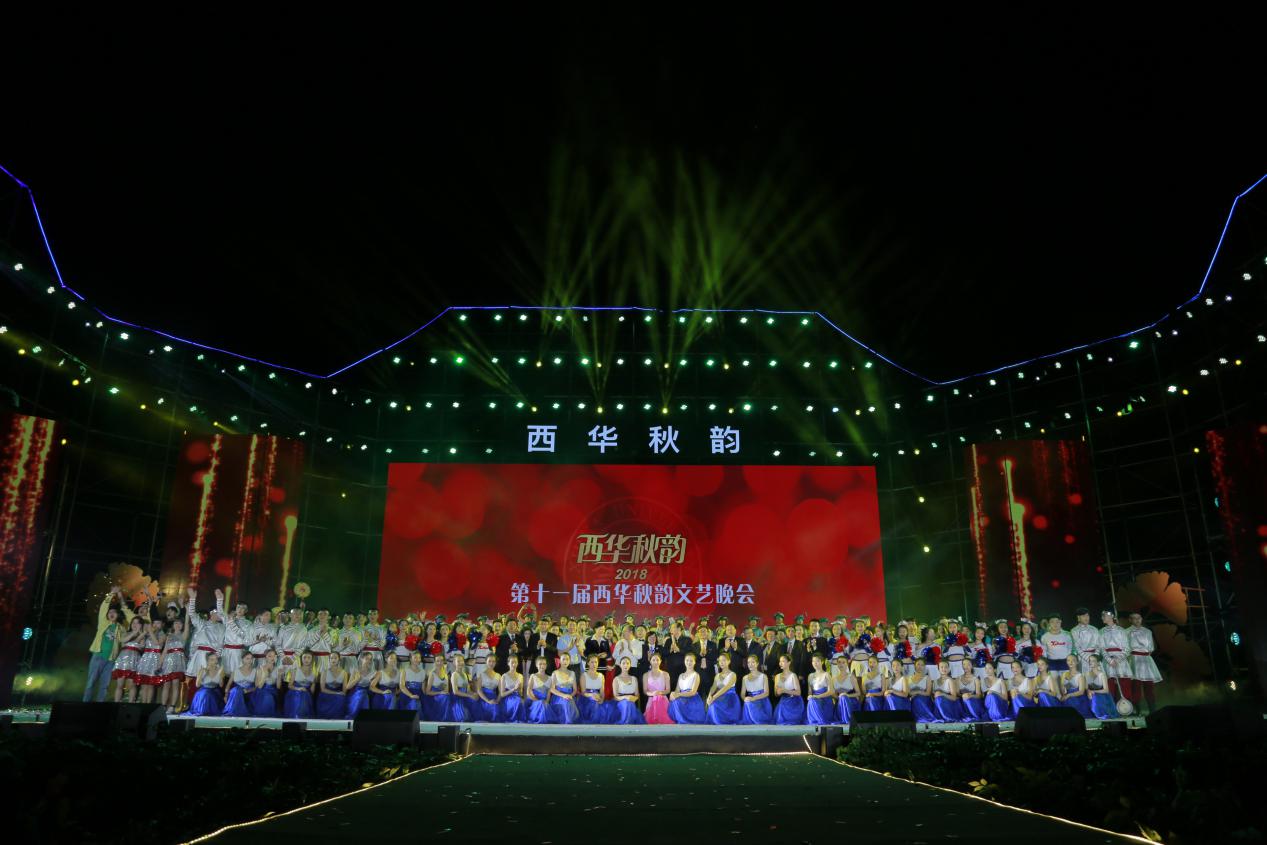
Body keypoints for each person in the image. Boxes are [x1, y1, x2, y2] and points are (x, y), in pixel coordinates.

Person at [85, 586, 134, 702]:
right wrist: (112, 593)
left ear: (118, 615)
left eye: (114, 612)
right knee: (91, 682)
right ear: (107, 615)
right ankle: (85, 703)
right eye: (110, 612)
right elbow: (104, 607)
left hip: (111, 660)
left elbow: (123, 640)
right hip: (98, 656)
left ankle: (100, 705)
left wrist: (135, 633)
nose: (111, 613)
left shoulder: (121, 628)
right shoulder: (103, 622)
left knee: (105, 685)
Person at [1127, 612, 1162, 715]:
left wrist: (1145, 654)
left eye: (1139, 618)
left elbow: (1151, 647)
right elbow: (1126, 647)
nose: (1137, 620)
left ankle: (1153, 710)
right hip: (1134, 659)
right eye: (1135, 618)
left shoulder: (1147, 631)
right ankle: (1136, 710)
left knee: (1149, 687)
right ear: (1130, 620)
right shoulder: (1126, 632)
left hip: (1146, 660)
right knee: (1136, 687)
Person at [1098, 610, 1133, 704]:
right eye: (1102, 616)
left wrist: (1118, 659)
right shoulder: (1101, 632)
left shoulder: (1121, 631)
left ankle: (1126, 708)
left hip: (1121, 661)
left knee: (1124, 685)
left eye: (1104, 616)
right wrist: (1110, 660)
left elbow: (1127, 648)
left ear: (1111, 616)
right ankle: (1111, 707)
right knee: (1109, 686)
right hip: (1108, 662)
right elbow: (1102, 648)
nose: (1102, 618)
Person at [112, 616, 147, 703]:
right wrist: (133, 632)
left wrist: (140, 633)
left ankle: (131, 703)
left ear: (141, 625)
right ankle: (116, 703)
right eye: (133, 622)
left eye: (137, 623)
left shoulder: (143, 636)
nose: (135, 624)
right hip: (123, 660)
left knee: (132, 685)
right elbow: (123, 640)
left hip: (134, 660)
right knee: (120, 684)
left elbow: (141, 645)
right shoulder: (126, 633)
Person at [160, 617, 190, 713]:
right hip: (168, 661)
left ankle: (172, 706)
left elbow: (187, 624)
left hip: (178, 661)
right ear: (173, 625)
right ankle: (163, 706)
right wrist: (159, 664)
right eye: (176, 623)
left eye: (180, 623)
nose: (178, 625)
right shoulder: (169, 636)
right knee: (166, 684)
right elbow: (165, 651)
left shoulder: (184, 635)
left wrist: (187, 612)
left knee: (175, 684)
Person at [668, 652, 708, 724]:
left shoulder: (696, 675)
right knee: (674, 701)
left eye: (691, 661)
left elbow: (693, 692)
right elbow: (677, 690)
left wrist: (679, 694)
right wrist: (673, 694)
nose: (689, 662)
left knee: (678, 702)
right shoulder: (681, 675)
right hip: (681, 697)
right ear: (684, 661)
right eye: (687, 660)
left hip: (692, 699)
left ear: (694, 662)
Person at [135, 618, 168, 704]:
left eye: (158, 623)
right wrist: (145, 632)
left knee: (151, 684)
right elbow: (137, 641)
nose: (156, 625)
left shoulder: (163, 634)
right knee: (144, 684)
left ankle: (148, 704)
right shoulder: (148, 634)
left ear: (162, 625)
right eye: (154, 623)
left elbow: (157, 643)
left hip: (155, 658)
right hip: (146, 658)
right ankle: (143, 703)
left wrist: (150, 631)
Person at [705, 652, 741, 725]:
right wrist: (709, 696)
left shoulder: (733, 674)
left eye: (724, 660)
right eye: (720, 660)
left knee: (714, 702)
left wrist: (713, 697)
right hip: (720, 697)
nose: (721, 662)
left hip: (730, 698)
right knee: (712, 703)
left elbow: (726, 688)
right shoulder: (717, 675)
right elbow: (713, 687)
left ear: (729, 661)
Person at [188, 652, 225, 716]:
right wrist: (204, 673)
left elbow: (221, 685)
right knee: (207, 693)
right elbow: (197, 685)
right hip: (204, 691)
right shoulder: (203, 670)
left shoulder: (219, 670)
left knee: (212, 694)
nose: (215, 661)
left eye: (216, 659)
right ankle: (203, 710)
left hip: (215, 691)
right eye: (212, 659)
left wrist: (220, 674)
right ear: (207, 661)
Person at [222, 651, 258, 717]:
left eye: (251, 658)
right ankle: (234, 711)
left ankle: (241, 712)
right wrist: (226, 695)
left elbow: (256, 687)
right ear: (242, 659)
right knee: (237, 690)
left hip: (249, 693)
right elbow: (228, 685)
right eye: (247, 658)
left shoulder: (255, 671)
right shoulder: (236, 671)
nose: (250, 661)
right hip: (236, 692)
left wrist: (247, 690)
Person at [740, 654, 773, 725]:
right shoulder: (745, 678)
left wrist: (753, 698)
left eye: (753, 662)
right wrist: (745, 698)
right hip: (750, 701)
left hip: (762, 701)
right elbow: (742, 694)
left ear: (757, 663)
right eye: (748, 662)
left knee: (749, 703)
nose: (750, 664)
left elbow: (766, 693)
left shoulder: (763, 676)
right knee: (748, 703)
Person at [546, 652, 578, 724]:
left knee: (568, 701)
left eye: (567, 659)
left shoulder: (572, 673)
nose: (565, 661)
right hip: (558, 697)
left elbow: (575, 690)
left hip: (570, 696)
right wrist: (563, 695)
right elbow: (552, 689)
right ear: (559, 661)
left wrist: (570, 696)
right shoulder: (555, 673)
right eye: (563, 659)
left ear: (570, 661)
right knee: (566, 702)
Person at [283, 651, 317, 719]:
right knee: (300, 695)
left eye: (309, 658)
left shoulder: (314, 674)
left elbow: (312, 691)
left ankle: (302, 717)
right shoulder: (295, 670)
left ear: (312, 659)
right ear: (301, 659)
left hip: (306, 694)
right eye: (304, 657)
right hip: (294, 691)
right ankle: (297, 716)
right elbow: (289, 686)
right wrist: (298, 689)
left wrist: (314, 683)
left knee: (304, 695)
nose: (306, 659)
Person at [772, 654, 805, 724]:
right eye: (780, 661)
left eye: (783, 661)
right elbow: (776, 694)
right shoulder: (777, 676)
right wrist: (778, 692)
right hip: (783, 700)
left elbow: (798, 692)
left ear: (789, 663)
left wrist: (785, 690)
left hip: (794, 701)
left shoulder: (793, 675)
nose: (780, 663)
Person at [612, 657, 645, 725]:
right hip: (620, 702)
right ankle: (625, 723)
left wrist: (633, 698)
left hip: (631, 701)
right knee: (627, 703)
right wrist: (626, 697)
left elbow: (637, 695)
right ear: (620, 665)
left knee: (629, 703)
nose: (625, 665)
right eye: (623, 663)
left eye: (627, 663)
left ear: (630, 665)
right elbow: (615, 697)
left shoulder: (634, 678)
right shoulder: (616, 679)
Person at [577, 655, 610, 724]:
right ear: (588, 663)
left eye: (596, 662)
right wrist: (592, 695)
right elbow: (583, 692)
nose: (594, 664)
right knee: (593, 703)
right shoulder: (584, 675)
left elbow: (602, 691)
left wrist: (602, 699)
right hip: (586, 697)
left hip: (598, 696)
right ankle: (593, 723)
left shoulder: (601, 676)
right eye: (592, 662)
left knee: (607, 707)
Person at [804, 654, 835, 725]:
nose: (815, 663)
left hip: (825, 701)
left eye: (817, 661)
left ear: (822, 662)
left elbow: (831, 691)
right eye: (813, 661)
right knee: (811, 700)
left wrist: (817, 696)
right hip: (814, 700)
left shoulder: (826, 674)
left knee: (813, 700)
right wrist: (810, 696)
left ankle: (819, 720)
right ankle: (814, 721)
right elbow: (810, 691)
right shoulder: (810, 676)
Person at [643, 652, 673, 725]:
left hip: (663, 700)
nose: (656, 662)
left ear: (660, 661)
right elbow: (645, 690)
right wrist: (653, 694)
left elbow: (668, 690)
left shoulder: (665, 674)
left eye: (657, 660)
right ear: (650, 661)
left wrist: (660, 693)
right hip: (651, 700)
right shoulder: (646, 675)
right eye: (653, 660)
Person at [1085, 654, 1118, 719]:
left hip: (1102, 695)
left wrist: (1094, 691)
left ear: (1098, 663)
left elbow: (1106, 690)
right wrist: (1088, 692)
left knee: (1096, 698)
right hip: (1091, 695)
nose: (1091, 662)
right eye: (1090, 661)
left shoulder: (1102, 674)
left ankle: (1098, 712)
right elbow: (1086, 687)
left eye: (1093, 661)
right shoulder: (1086, 674)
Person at [831, 653, 861, 724]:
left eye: (843, 662)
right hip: (840, 703)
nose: (841, 664)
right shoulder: (833, 679)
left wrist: (847, 695)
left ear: (847, 664)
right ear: (837, 664)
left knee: (844, 697)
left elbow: (858, 693)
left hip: (851, 702)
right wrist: (839, 697)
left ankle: (848, 719)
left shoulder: (851, 677)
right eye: (839, 662)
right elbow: (833, 694)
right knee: (842, 698)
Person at [252, 650, 283, 716]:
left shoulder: (277, 669)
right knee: (268, 697)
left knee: (271, 696)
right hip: (262, 690)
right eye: (270, 656)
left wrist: (279, 676)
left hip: (273, 691)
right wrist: (265, 676)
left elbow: (278, 687)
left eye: (274, 656)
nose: (272, 658)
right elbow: (258, 687)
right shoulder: (260, 669)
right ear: (265, 657)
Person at [1070, 608, 1101, 675]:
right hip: (1083, 660)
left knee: (1099, 678)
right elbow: (1077, 648)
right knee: (1085, 679)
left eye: (1087, 615)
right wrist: (1088, 659)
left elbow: (1098, 645)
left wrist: (1095, 657)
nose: (1086, 618)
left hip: (1095, 658)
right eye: (1083, 616)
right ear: (1078, 617)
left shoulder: (1094, 629)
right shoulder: (1074, 630)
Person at [472, 653, 501, 722]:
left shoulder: (498, 676)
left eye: (493, 661)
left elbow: (500, 691)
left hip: (494, 697)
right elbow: (479, 690)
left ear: (495, 663)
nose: (491, 663)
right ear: (486, 662)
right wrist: (488, 701)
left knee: (496, 710)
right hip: (484, 698)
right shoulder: (481, 674)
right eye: (489, 661)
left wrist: (497, 700)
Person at [448, 654, 476, 722]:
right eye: (458, 661)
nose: (461, 663)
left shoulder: (465, 674)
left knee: (475, 702)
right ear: (454, 663)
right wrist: (469, 695)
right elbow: (455, 692)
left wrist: (473, 694)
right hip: (457, 698)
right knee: (463, 716)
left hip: (465, 697)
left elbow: (468, 690)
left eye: (462, 661)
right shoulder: (454, 674)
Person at [344, 653, 373, 719]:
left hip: (368, 692)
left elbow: (372, 687)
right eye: (366, 659)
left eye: (370, 659)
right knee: (362, 693)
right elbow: (348, 687)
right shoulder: (355, 670)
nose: (368, 661)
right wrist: (357, 679)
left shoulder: (373, 671)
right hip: (356, 692)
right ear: (362, 659)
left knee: (364, 693)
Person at [527, 656, 553, 724]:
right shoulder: (533, 676)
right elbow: (528, 691)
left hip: (544, 702)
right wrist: (537, 700)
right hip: (535, 701)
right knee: (541, 704)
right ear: (536, 665)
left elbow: (549, 693)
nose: (542, 666)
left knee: (544, 705)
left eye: (544, 664)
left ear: (546, 665)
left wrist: (547, 702)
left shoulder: (550, 678)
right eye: (540, 664)